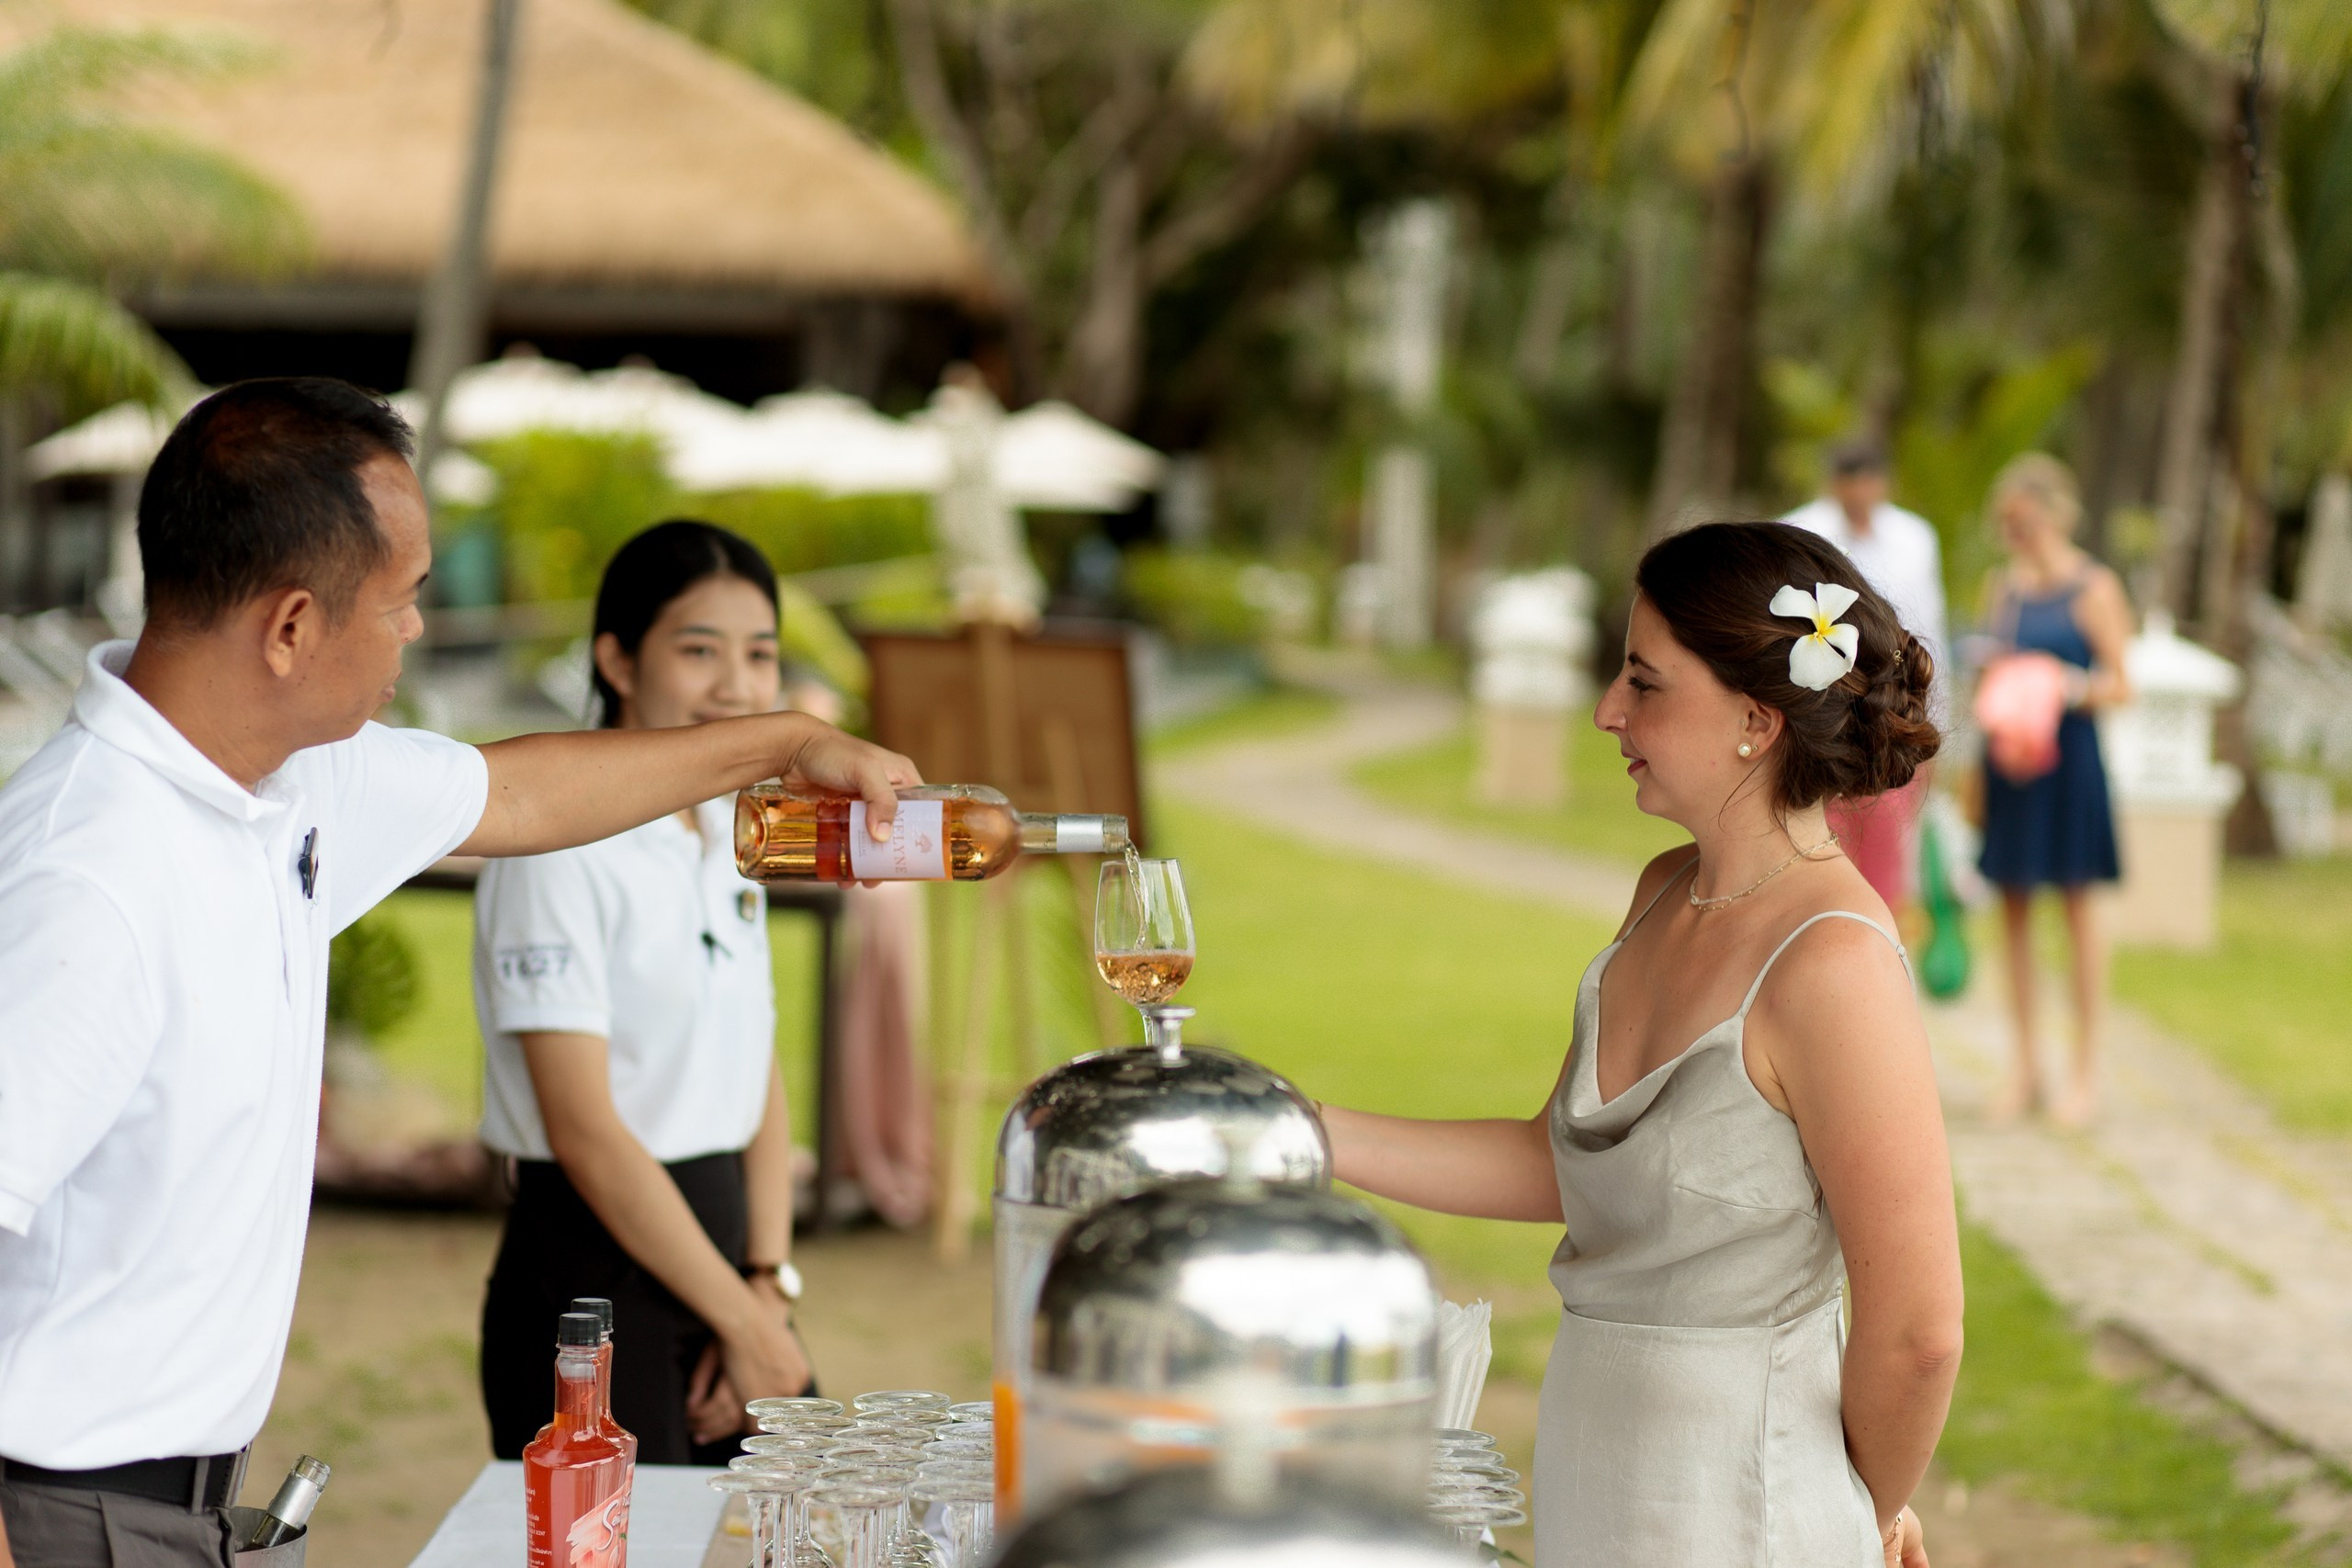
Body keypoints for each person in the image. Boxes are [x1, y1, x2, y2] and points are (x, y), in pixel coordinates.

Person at [0, 381, 918, 1568]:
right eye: (404, 601)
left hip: (183, 1502)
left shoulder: (287, 781)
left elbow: (527, 792)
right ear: (290, 627)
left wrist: (789, 745)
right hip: (61, 1509)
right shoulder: (90, 875)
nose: (419, 631)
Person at [1317, 522, 1962, 1568]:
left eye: (1643, 683)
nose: (1607, 712)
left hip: (1746, 1514)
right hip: (1592, 1477)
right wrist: (1296, 1130)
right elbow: (1557, 1162)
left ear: (1755, 718)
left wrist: (1855, 1510)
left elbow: (1920, 1333)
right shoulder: (1662, 891)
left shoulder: (1832, 965)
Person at [476, 521, 819, 1463]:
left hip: (727, 1275)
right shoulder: (556, 845)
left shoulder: (732, 836)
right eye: (699, 651)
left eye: (760, 656)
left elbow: (759, 1067)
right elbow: (583, 1129)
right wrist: (746, 1326)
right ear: (616, 660)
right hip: (590, 1286)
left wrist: (764, 1287)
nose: (737, 687)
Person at [1973, 454, 2131, 1127]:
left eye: (2026, 520)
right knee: (2011, 914)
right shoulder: (2001, 589)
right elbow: (1985, 671)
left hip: (2071, 764)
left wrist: (2067, 686)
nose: (2017, 534)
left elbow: (2123, 683)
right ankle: (2025, 1065)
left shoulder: (2094, 586)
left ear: (2055, 514)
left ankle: (2084, 1072)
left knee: (2076, 913)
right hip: (2011, 762)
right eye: (2006, 523)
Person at [1784, 438, 1950, 908]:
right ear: (1834, 483)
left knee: (1887, 845)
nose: (1860, 492)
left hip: (1892, 703)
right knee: (1818, 839)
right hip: (1824, 705)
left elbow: (1929, 628)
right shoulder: (1799, 528)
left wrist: (1932, 721)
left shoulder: (1915, 538)